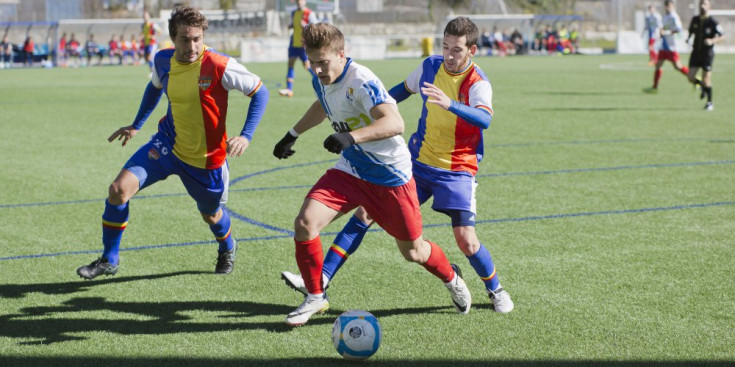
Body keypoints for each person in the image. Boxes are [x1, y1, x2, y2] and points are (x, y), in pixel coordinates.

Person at [280, 17, 514, 314]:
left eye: (456, 50)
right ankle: (321, 279)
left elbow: (485, 119)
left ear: (472, 51)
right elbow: (400, 92)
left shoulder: (477, 82)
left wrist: (450, 103)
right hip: (418, 162)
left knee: (465, 241)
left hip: (457, 168)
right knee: (364, 215)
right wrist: (372, 109)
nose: (449, 56)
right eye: (445, 47)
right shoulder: (431, 66)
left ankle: (495, 290)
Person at [76, 6, 269, 280]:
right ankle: (109, 259)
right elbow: (154, 88)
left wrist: (246, 135)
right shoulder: (163, 60)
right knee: (118, 190)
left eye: (197, 39)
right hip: (167, 144)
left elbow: (261, 92)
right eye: (184, 39)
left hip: (205, 159)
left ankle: (227, 246)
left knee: (212, 215)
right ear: (172, 38)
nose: (192, 46)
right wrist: (136, 125)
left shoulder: (219, 65)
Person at [645, 0, 692, 93]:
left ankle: (693, 77)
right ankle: (654, 88)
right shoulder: (665, 16)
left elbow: (678, 29)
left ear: (673, 6)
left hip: (671, 47)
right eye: (666, 6)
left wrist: (666, 32)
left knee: (678, 67)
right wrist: (662, 32)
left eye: (669, 5)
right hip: (664, 46)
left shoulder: (674, 16)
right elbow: (664, 28)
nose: (668, 7)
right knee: (658, 65)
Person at [686, 0, 725, 111]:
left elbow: (723, 36)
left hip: (707, 54)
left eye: (705, 4)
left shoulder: (712, 21)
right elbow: (690, 32)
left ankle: (709, 102)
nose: (702, 6)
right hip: (695, 52)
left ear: (709, 6)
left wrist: (712, 40)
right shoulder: (695, 19)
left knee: (706, 79)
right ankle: (702, 86)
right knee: (690, 77)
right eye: (701, 4)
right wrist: (688, 39)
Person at [277, 0, 318, 97]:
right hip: (293, 42)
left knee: (307, 65)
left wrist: (306, 25)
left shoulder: (309, 13)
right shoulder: (294, 13)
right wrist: (291, 26)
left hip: (303, 44)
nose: (299, 2)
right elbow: (294, 25)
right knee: (290, 64)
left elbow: (315, 27)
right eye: (297, 1)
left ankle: (321, 80)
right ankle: (289, 89)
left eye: (301, 0)